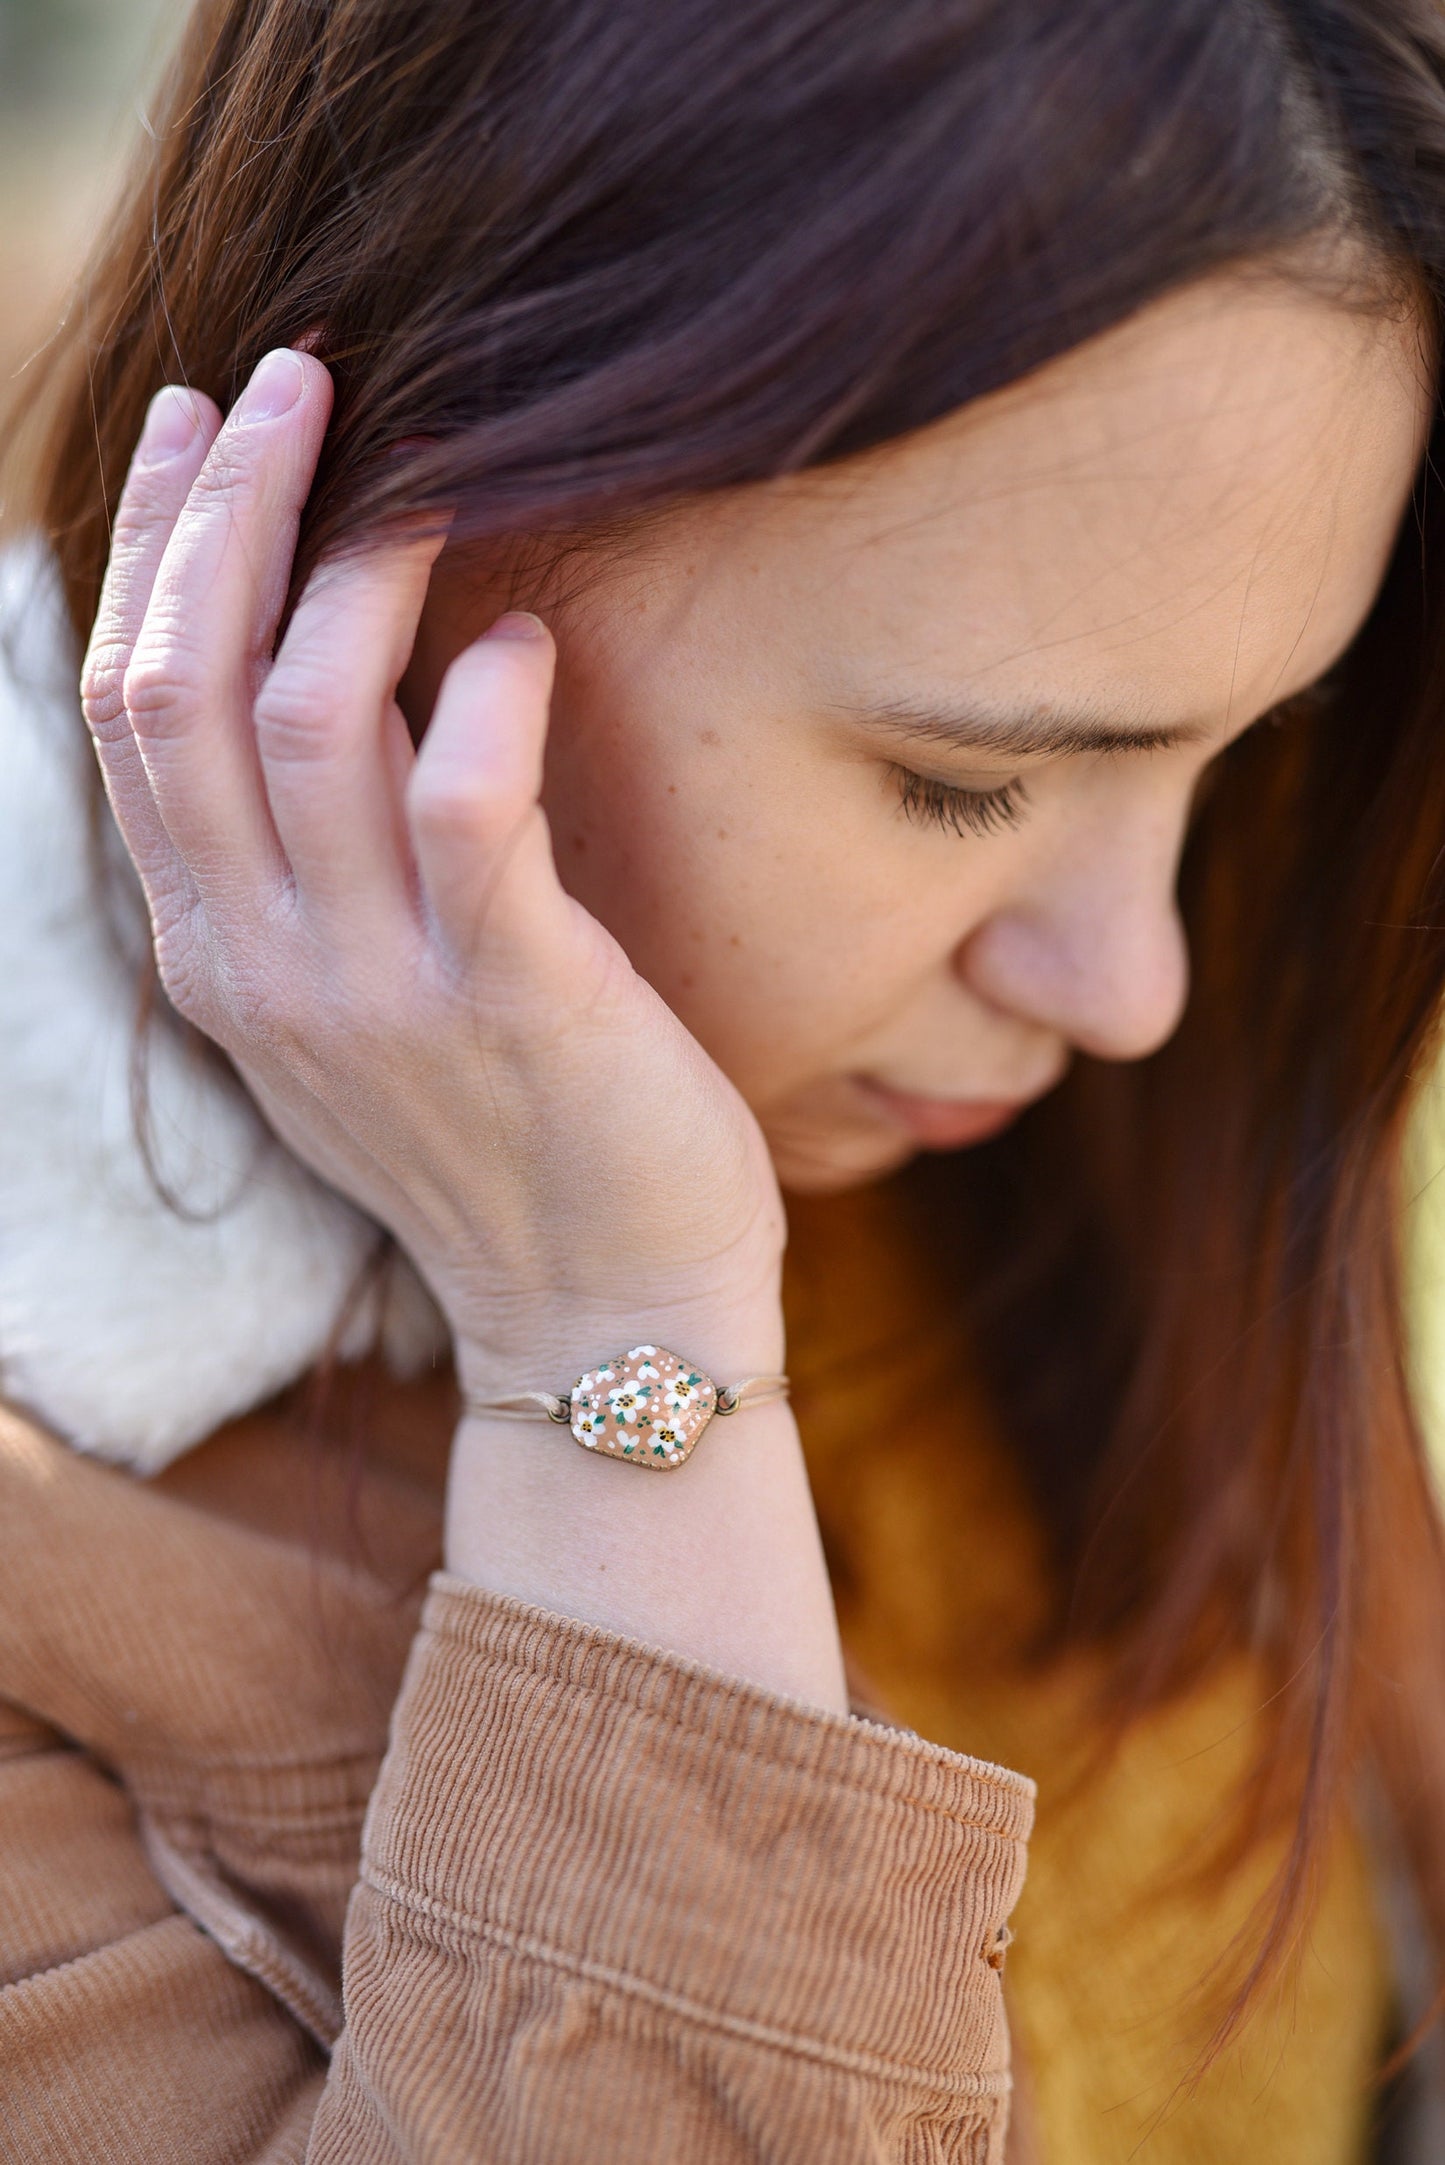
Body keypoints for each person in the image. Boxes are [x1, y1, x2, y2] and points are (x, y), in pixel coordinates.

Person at [3, 0, 1445, 2157]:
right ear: (348, 550)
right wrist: (614, 1338)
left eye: (1235, 754)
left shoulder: (1138, 1120)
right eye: (962, 783)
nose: (1131, 984)